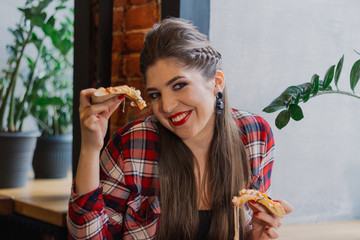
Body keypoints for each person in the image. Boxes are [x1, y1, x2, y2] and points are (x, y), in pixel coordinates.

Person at [67, 17, 293, 240]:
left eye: (179, 85)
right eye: (155, 94)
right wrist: (90, 147)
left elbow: (250, 222)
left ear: (216, 82)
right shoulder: (131, 144)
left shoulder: (255, 135)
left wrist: (254, 236)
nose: (166, 106)